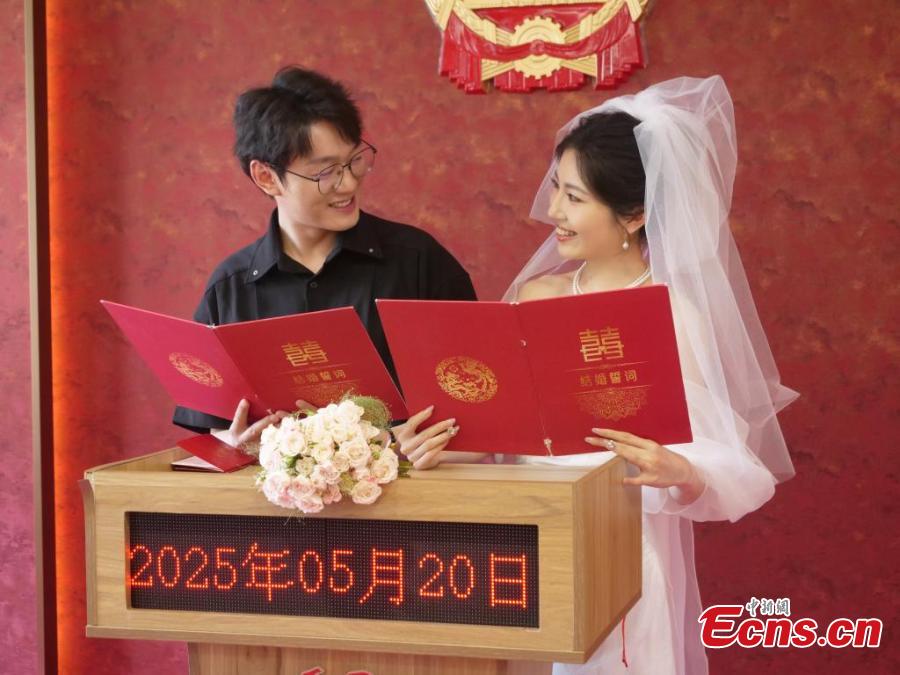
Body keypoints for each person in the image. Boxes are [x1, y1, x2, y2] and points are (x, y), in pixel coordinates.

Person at [421, 76, 797, 674]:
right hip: (520, 555)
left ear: (635, 214)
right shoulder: (533, 297)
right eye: (556, 188)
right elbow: (498, 432)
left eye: (573, 198)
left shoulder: (672, 312)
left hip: (619, 554)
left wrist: (681, 470)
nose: (552, 212)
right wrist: (435, 445)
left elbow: (728, 461)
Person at [173, 67, 476, 451]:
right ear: (266, 177)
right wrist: (230, 442)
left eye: (354, 161)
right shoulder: (229, 289)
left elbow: (478, 401)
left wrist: (416, 444)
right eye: (326, 172)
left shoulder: (419, 262)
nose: (348, 184)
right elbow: (207, 434)